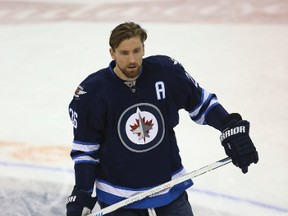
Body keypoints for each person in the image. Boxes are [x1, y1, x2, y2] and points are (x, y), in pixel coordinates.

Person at [66, 22, 258, 216]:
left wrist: (229, 127)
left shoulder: (166, 73)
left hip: (168, 187)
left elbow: (202, 104)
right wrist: (82, 193)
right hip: (118, 197)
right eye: (124, 53)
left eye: (136, 51)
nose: (132, 59)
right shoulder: (92, 93)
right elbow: (86, 151)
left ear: (143, 49)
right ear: (112, 53)